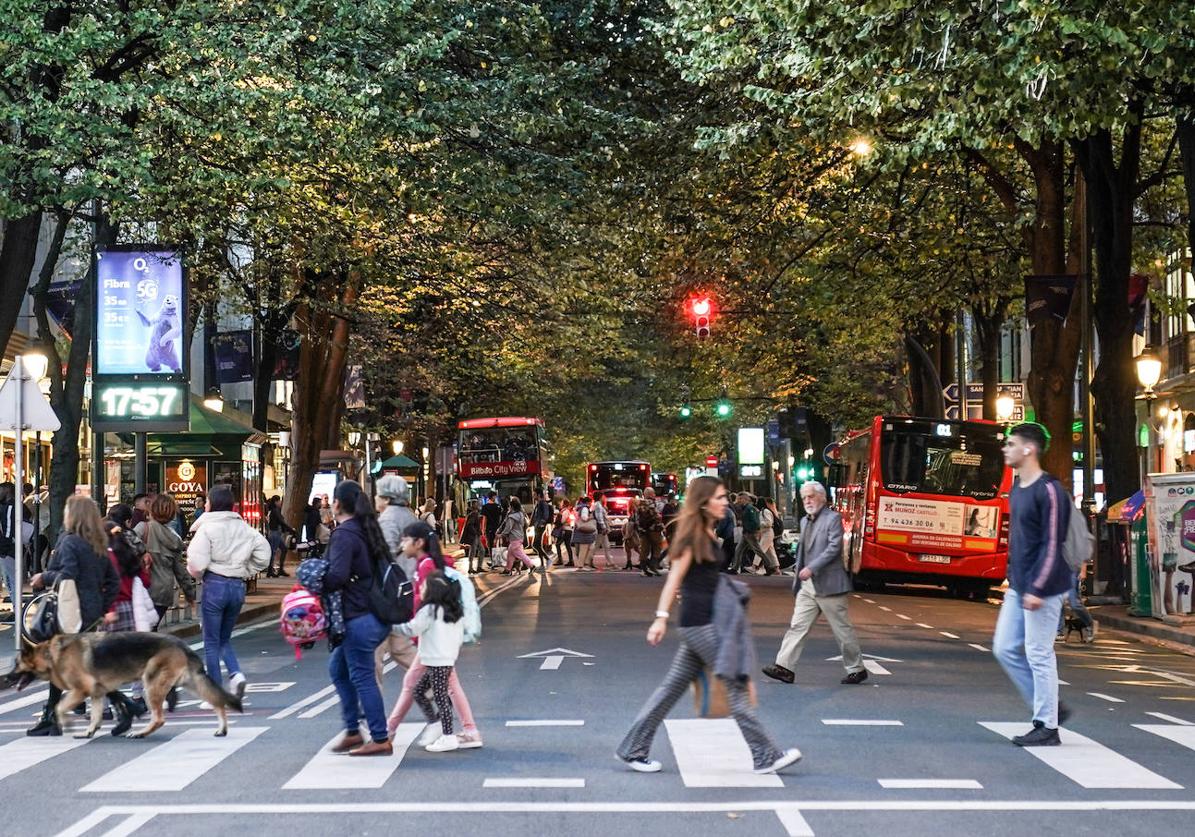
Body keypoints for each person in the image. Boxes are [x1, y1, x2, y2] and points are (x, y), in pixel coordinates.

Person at [616, 476, 800, 775]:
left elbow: (694, 580)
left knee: (669, 690)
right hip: (701, 624)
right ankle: (765, 755)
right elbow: (674, 578)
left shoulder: (705, 533)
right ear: (704, 502)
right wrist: (660, 618)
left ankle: (632, 749)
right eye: (719, 497)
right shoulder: (693, 536)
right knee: (735, 685)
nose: (725, 502)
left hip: (699, 622)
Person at [993, 422, 1073, 746]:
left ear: (1029, 449)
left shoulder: (1049, 490)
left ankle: (1047, 725)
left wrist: (1038, 588)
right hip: (1018, 584)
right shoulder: (1017, 488)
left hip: (1045, 586)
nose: (1005, 449)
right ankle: (1049, 707)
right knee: (1004, 648)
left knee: (1039, 653)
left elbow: (1053, 543)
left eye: (1010, 444)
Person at [27, 495, 121, 736]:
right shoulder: (98, 542)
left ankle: (53, 716)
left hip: (70, 611)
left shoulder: (70, 542)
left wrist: (43, 577)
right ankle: (53, 714)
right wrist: (101, 606)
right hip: (91, 613)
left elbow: (68, 573)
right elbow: (113, 580)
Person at [386, 520, 483, 750]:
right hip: (435, 640)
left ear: (418, 543)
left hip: (435, 640)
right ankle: (463, 729)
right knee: (426, 684)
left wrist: (413, 630)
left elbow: (429, 607)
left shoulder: (427, 567)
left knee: (429, 685)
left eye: (405, 540)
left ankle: (392, 731)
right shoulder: (426, 564)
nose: (402, 544)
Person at [761, 481, 867, 686]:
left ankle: (857, 669)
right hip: (808, 585)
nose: (807, 500)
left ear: (822, 497)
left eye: (811, 496)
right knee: (797, 626)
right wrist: (797, 578)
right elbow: (802, 552)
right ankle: (784, 667)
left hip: (829, 584)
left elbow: (834, 547)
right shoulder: (804, 521)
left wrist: (812, 567)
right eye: (804, 497)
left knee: (841, 629)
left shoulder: (833, 518)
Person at [322, 480, 396, 756]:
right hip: (374, 614)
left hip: (358, 616)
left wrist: (315, 577)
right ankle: (353, 731)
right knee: (338, 670)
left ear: (337, 504)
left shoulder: (345, 534)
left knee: (362, 676)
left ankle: (379, 737)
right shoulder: (367, 529)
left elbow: (337, 576)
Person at [187, 484, 271, 699]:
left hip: (214, 585)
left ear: (211, 504)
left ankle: (216, 693)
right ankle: (236, 674)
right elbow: (263, 555)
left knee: (211, 642)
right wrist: (244, 570)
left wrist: (199, 574)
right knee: (224, 638)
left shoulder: (207, 529)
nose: (204, 504)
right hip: (237, 586)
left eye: (206, 501)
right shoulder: (245, 528)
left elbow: (196, 563)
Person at [386, 570, 466, 752]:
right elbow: (460, 636)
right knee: (421, 691)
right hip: (445, 658)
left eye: (423, 585)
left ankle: (447, 736)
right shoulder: (454, 610)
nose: (420, 588)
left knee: (439, 697)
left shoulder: (429, 610)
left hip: (436, 660)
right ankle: (436, 724)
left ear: (432, 591)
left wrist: (390, 627)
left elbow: (412, 629)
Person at [373, 474, 419, 689]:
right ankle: (433, 687)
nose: (375, 498)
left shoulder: (389, 518)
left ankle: (368, 707)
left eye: (378, 494)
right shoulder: (408, 515)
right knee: (400, 646)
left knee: (374, 649)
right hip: (406, 586)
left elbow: (386, 552)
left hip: (390, 590)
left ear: (387, 498)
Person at [136, 493, 195, 625]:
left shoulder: (143, 528)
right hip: (163, 592)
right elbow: (181, 572)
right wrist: (189, 595)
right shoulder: (174, 539)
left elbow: (126, 549)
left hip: (142, 589)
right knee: (152, 628)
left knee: (140, 631)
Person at [732, 493, 775, 575]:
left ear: (744, 499)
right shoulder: (747, 508)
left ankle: (770, 566)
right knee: (738, 549)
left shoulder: (749, 509)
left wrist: (753, 530)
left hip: (750, 533)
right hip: (746, 533)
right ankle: (734, 568)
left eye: (740, 499)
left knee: (758, 550)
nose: (738, 501)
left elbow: (755, 522)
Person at [500, 497, 539, 577]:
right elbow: (526, 524)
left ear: (512, 506)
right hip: (520, 536)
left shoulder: (512, 516)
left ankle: (532, 566)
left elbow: (508, 528)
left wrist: (501, 535)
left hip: (514, 537)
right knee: (510, 553)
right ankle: (508, 569)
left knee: (519, 554)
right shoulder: (521, 514)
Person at [636, 489, 664, 577]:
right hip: (654, 529)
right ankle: (653, 566)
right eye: (654, 493)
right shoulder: (652, 503)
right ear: (651, 494)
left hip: (643, 530)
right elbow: (656, 516)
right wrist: (660, 521)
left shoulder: (640, 504)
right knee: (657, 547)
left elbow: (637, 517)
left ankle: (644, 569)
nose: (655, 494)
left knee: (644, 549)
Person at [266, 496, 296, 577]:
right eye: (279, 501)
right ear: (276, 502)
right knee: (273, 552)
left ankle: (280, 569)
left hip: (276, 533)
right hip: (274, 533)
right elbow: (281, 522)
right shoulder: (275, 511)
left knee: (283, 549)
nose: (280, 503)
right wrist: (290, 529)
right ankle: (270, 571)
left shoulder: (274, 511)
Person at [0, 483, 18, 614]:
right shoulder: (11, 505)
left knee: (11, 580)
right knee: (10, 580)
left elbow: (8, 530)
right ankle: (16, 610)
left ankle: (17, 611)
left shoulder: (10, 506)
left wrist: (3, 549)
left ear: (7, 490)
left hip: (10, 549)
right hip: (10, 548)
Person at [754, 497, 782, 576]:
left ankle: (754, 566)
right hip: (766, 533)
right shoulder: (762, 511)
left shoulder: (765, 511)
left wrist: (759, 524)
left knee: (761, 549)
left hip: (767, 533)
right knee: (770, 552)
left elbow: (769, 523)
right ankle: (776, 568)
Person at [572, 496, 598, 570]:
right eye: (590, 502)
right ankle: (581, 565)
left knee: (582, 549)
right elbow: (584, 518)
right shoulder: (585, 508)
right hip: (584, 531)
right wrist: (591, 518)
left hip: (579, 530)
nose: (591, 504)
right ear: (588, 502)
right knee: (584, 548)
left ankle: (582, 564)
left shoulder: (579, 508)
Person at [530, 490, 555, 563]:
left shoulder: (543, 503)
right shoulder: (538, 503)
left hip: (540, 526)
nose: (533, 496)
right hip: (537, 526)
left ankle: (547, 559)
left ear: (538, 495)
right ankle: (542, 562)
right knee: (537, 545)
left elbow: (545, 515)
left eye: (534, 494)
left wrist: (541, 523)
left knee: (536, 544)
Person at [593, 494, 616, 570]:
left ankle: (610, 562)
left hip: (602, 529)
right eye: (603, 497)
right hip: (600, 529)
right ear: (600, 497)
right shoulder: (598, 505)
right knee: (597, 545)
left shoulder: (599, 505)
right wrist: (603, 527)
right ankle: (588, 560)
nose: (605, 498)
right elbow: (599, 518)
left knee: (606, 545)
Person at [462, 500, 484, 574]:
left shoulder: (475, 514)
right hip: (474, 536)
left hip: (476, 535)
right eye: (477, 504)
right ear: (473, 506)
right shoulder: (473, 514)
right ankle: (471, 568)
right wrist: (475, 533)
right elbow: (470, 525)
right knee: (473, 551)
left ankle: (478, 567)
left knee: (481, 550)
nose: (478, 505)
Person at [553, 498, 575, 567]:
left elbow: (562, 521)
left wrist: (557, 520)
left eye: (562, 503)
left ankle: (560, 560)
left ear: (564, 504)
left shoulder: (565, 511)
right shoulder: (566, 511)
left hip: (565, 530)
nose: (560, 504)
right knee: (567, 545)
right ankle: (571, 561)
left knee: (558, 544)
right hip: (567, 530)